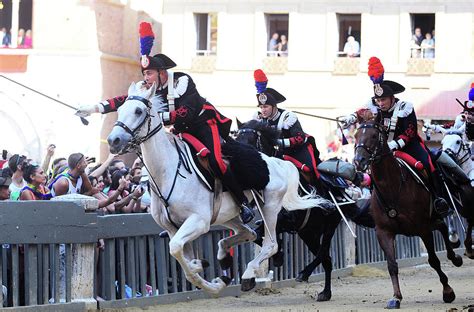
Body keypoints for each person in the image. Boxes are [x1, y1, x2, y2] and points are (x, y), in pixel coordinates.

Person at [76, 22, 254, 223]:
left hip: (204, 124)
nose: (146, 78)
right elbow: (123, 101)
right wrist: (93, 108)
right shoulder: (149, 88)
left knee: (215, 161)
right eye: (144, 74)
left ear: (162, 73)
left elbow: (187, 112)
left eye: (149, 73)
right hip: (181, 130)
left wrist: (154, 118)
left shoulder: (182, 82)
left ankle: (242, 204)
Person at [338, 56, 449, 216]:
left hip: (408, 147)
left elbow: (409, 133)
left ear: (392, 98)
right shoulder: (374, 107)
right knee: (374, 169)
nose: (380, 104)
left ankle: (439, 198)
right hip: (384, 151)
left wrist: (393, 145)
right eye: (378, 100)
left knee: (426, 162)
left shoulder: (405, 108)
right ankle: (375, 205)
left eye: (383, 100)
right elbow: (361, 113)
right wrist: (349, 118)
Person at [252, 69, 335, 212]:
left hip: (295, 151)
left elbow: (300, 138)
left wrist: (281, 143)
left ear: (274, 106)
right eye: (261, 106)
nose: (263, 110)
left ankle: (324, 198)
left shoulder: (287, 117)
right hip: (275, 155)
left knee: (310, 169)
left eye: (265, 106)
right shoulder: (258, 118)